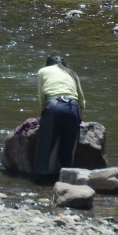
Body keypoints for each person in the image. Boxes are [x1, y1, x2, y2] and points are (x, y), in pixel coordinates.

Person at [33, 54, 85, 183]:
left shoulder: (43, 71)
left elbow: (41, 95)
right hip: (72, 107)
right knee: (68, 147)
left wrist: (44, 113)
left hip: (53, 105)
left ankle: (41, 179)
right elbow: (81, 99)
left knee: (45, 144)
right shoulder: (72, 73)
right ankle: (66, 180)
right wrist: (80, 117)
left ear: (48, 63)